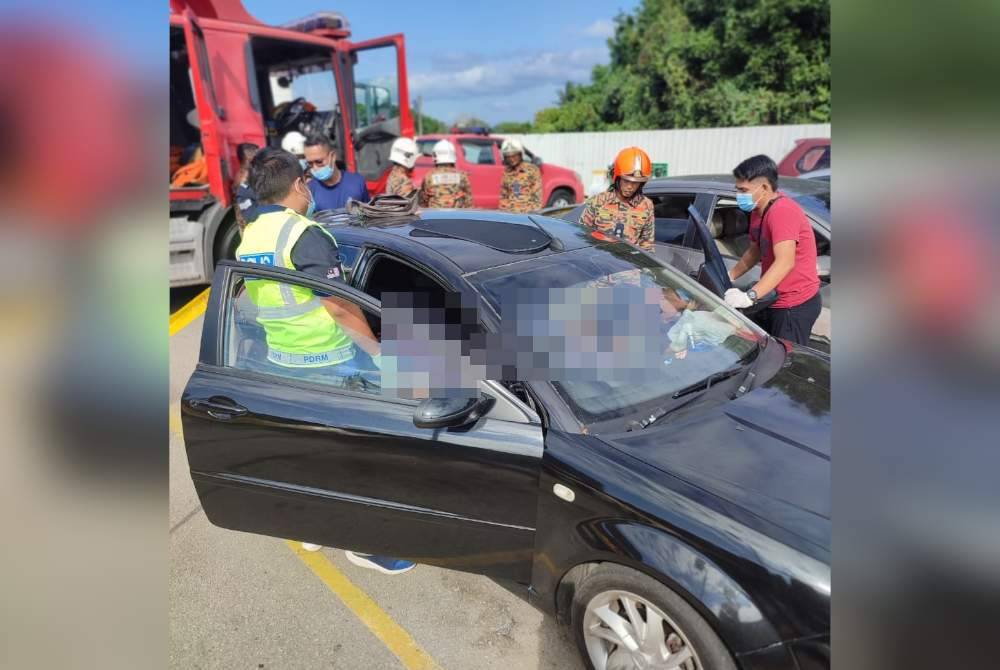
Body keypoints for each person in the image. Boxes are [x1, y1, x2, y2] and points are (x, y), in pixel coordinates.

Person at [237, 147, 415, 574]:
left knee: (308, 450)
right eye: (307, 181)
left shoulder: (251, 236)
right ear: (299, 184)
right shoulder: (306, 234)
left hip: (283, 359)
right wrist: (378, 354)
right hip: (329, 361)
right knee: (357, 455)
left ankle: (311, 526)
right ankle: (367, 545)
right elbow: (338, 306)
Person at [724, 154, 821, 346]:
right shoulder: (758, 211)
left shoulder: (782, 212)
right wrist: (730, 275)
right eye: (737, 190)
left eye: (743, 190)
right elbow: (755, 250)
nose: (739, 195)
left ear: (765, 188)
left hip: (794, 305)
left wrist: (750, 296)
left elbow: (785, 262)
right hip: (773, 298)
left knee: (785, 364)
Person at [579, 146, 655, 252]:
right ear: (617, 178)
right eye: (626, 181)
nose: (630, 187)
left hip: (629, 265)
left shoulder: (646, 205)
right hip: (598, 261)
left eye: (636, 182)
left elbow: (647, 245)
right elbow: (582, 235)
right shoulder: (599, 201)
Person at [304, 135, 370, 211]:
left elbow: (369, 216)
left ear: (333, 156)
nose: (314, 168)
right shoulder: (309, 191)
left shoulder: (357, 182)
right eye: (310, 164)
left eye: (319, 162)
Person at [419, 139, 472, 208]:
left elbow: (423, 202)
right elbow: (469, 203)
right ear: (453, 156)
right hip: (457, 217)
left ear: (435, 156)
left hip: (435, 217)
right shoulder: (462, 176)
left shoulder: (429, 177)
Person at [498, 138, 542, 213]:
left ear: (521, 155)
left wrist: (533, 215)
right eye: (508, 157)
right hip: (510, 215)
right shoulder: (507, 172)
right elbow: (504, 196)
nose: (511, 159)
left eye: (514, 156)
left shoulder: (532, 170)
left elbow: (537, 198)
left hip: (527, 215)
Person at [233, 143, 259, 232]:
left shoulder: (241, 173)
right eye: (255, 152)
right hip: (250, 223)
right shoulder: (245, 176)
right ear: (247, 156)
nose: (257, 154)